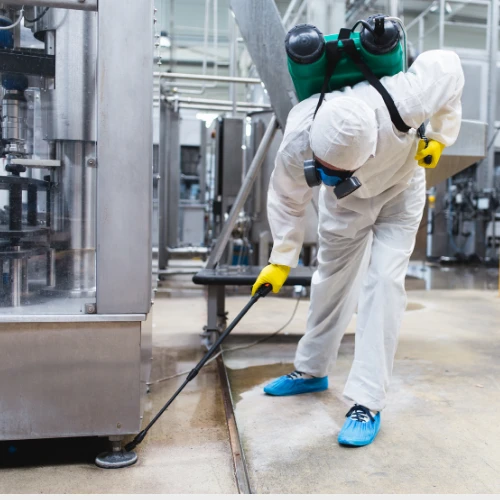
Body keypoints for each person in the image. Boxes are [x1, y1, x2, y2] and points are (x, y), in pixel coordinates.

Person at [251, 49, 464, 447]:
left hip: (400, 192)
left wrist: (439, 135)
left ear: (369, 151)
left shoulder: (406, 100)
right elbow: (286, 198)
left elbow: (448, 66)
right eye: (325, 171)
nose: (330, 175)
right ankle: (311, 370)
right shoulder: (300, 134)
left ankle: (367, 401)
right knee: (330, 279)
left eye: (341, 172)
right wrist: (281, 259)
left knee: (383, 284)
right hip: (344, 205)